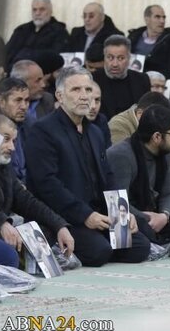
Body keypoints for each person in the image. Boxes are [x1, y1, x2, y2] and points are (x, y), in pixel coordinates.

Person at [24, 66, 150, 266]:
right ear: (59, 95)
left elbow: (108, 175)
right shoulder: (42, 131)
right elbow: (47, 185)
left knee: (141, 246)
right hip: (64, 216)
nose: (84, 96)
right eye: (76, 90)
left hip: (97, 213)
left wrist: (121, 213)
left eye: (88, 90)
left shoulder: (95, 131)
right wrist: (85, 215)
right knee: (99, 252)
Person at [107, 105, 170, 244]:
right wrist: (147, 217)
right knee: (134, 234)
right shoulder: (121, 155)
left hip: (155, 214)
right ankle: (156, 240)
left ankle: (157, 239)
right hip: (130, 216)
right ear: (157, 136)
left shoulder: (164, 152)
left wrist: (164, 215)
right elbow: (117, 204)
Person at [0, 115, 75, 263]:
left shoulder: (3, 168)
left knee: (48, 231)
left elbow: (27, 202)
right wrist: (1, 222)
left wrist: (60, 226)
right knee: (8, 256)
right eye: (6, 139)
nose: (12, 147)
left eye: (14, 141)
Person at [92, 35, 151, 119]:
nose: (114, 64)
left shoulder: (141, 80)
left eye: (120, 58)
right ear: (104, 58)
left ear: (129, 58)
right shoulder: (93, 80)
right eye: (110, 58)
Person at [5, 0, 69, 67]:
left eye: (42, 9)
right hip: (12, 71)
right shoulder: (21, 30)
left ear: (50, 11)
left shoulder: (59, 31)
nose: (37, 13)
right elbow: (7, 52)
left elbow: (57, 58)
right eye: (34, 10)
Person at [127, 5, 170, 79]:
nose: (162, 21)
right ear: (147, 19)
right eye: (157, 17)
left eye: (164, 17)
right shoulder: (133, 37)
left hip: (159, 82)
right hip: (133, 79)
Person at [0, 78, 32, 183]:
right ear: (2, 101)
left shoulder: (30, 125)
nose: (24, 107)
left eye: (27, 100)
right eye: (18, 100)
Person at [86, 81, 111, 151]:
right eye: (88, 100)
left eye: (97, 100)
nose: (93, 106)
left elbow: (107, 152)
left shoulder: (101, 120)